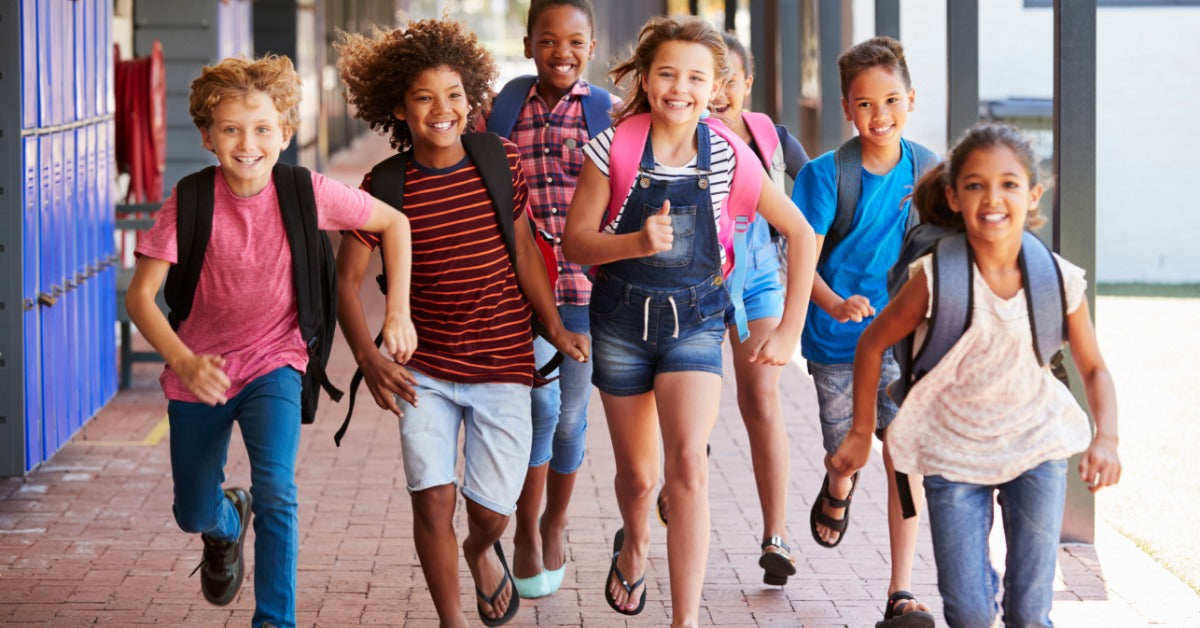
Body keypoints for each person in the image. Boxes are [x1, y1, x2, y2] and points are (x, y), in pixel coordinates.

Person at [124, 55, 415, 628]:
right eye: (230, 129)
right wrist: (183, 360)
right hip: (197, 370)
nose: (247, 143)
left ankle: (274, 620)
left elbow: (394, 224)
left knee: (278, 490)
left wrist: (398, 311)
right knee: (192, 512)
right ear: (208, 137)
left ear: (286, 131)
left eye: (262, 129)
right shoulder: (190, 201)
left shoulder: (306, 192)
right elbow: (140, 298)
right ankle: (226, 519)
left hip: (274, 362)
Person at [334, 17, 589, 628]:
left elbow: (526, 251)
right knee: (431, 503)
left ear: (471, 96)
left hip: (503, 361)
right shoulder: (385, 185)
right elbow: (344, 281)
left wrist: (552, 328)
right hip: (421, 369)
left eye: (453, 95)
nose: (441, 110)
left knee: (490, 515)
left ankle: (480, 551)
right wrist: (369, 358)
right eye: (424, 97)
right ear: (399, 104)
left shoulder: (498, 160)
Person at [562, 16, 816, 627]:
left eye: (696, 78)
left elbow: (801, 234)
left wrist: (788, 330)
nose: (681, 88)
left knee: (687, 467)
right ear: (646, 81)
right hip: (621, 321)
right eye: (668, 74)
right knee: (639, 476)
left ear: (716, 86)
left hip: (698, 319)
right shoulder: (614, 147)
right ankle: (637, 540)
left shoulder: (730, 154)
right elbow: (575, 243)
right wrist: (633, 243)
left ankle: (684, 621)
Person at [833, 122, 1122, 628]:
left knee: (1030, 613)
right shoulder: (933, 278)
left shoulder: (1057, 278)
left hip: (1036, 450)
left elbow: (1094, 368)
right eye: (976, 184)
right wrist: (861, 433)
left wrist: (1108, 438)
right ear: (953, 195)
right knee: (968, 612)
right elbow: (873, 343)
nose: (993, 198)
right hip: (952, 454)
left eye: (1009, 184)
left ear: (1033, 194)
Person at [789, 36, 937, 627]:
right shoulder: (829, 176)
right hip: (835, 343)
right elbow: (800, 257)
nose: (881, 116)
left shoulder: (928, 170)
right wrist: (832, 302)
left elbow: (940, 249)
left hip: (901, 341)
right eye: (866, 104)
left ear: (911, 100)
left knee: (904, 457)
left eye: (892, 101)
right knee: (848, 453)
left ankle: (901, 590)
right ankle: (837, 483)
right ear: (847, 109)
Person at [653, 31, 810, 586]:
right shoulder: (678, 137)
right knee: (686, 399)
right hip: (692, 281)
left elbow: (813, 212)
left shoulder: (773, 140)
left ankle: (776, 534)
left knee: (761, 394)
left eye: (728, 81)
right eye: (705, 79)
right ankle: (681, 472)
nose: (716, 92)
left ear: (746, 84)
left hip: (758, 279)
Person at [483, 0, 616, 600]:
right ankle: (526, 533)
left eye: (574, 41)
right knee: (539, 413)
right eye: (548, 39)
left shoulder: (607, 113)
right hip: (525, 292)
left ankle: (556, 520)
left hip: (589, 294)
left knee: (570, 419)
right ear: (529, 42)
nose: (561, 51)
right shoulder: (505, 109)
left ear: (592, 45)